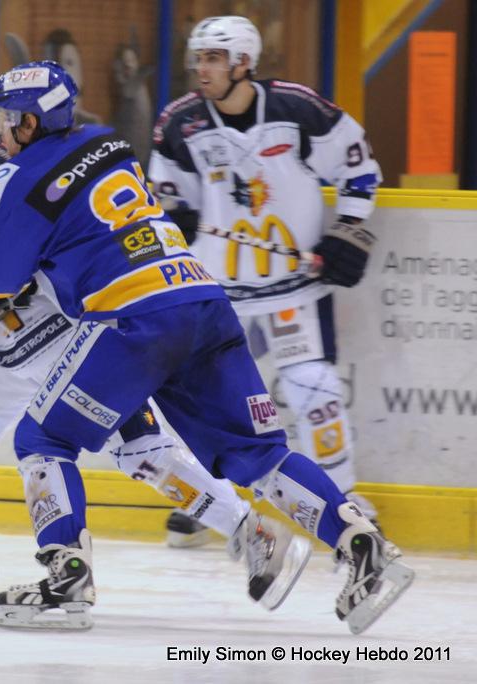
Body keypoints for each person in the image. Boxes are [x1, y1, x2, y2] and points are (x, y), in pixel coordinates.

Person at [0, 68, 312, 615]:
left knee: (136, 448)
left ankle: (250, 533)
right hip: (19, 343)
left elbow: (21, 259)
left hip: (68, 330)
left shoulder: (5, 172)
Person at [0, 60, 413, 633]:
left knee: (43, 437)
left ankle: (66, 578)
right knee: (258, 454)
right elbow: (82, 226)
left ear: (30, 122)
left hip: (133, 318)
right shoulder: (105, 143)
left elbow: (0, 275)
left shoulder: (21, 175)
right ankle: (362, 545)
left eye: (7, 118)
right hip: (203, 303)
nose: (1, 129)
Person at [148, 16, 381, 547]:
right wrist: (174, 218)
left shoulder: (297, 110)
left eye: (213, 58)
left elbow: (359, 165)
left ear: (243, 63)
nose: (201, 68)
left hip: (291, 288)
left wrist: (347, 230)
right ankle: (214, 507)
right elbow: (163, 195)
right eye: (198, 58)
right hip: (217, 294)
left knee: (314, 390)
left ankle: (345, 504)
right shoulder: (181, 122)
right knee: (203, 403)